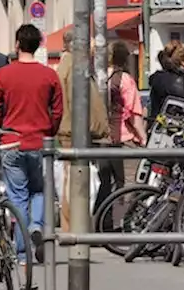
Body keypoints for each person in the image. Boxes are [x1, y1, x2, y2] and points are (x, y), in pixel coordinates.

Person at [0, 23, 63, 263]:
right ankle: (36, 226)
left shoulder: (3, 74)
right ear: (39, 45)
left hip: (12, 141)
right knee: (40, 189)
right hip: (40, 141)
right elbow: (58, 110)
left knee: (18, 196)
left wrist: (1, 126)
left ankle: (21, 252)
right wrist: (49, 131)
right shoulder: (49, 75)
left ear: (17, 44)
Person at [54, 29, 110, 232]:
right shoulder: (74, 67)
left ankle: (74, 225)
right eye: (91, 45)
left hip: (74, 130)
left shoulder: (68, 65)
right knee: (75, 180)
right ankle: (74, 227)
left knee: (73, 179)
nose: (94, 50)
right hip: (74, 132)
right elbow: (78, 101)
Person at [97, 41, 145, 212]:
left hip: (101, 138)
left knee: (103, 182)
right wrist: (143, 138)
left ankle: (102, 221)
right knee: (125, 183)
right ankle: (120, 221)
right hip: (123, 139)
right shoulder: (126, 80)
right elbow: (134, 115)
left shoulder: (99, 77)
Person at [148, 42, 184, 124]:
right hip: (175, 128)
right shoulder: (182, 82)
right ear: (183, 61)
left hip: (156, 126)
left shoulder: (159, 78)